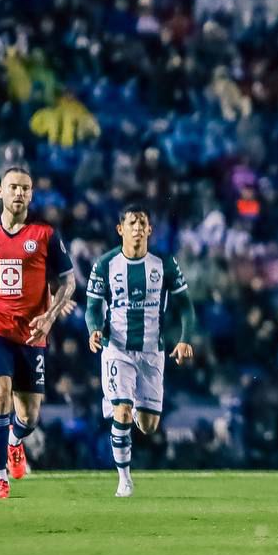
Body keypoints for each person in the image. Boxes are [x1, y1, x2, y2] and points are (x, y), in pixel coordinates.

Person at [86, 203, 196, 497]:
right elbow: (92, 308)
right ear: (120, 229)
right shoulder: (105, 264)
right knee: (122, 411)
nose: (137, 228)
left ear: (150, 229)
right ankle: (124, 479)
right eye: (131, 223)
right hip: (117, 349)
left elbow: (186, 306)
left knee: (148, 426)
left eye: (142, 222)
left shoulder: (164, 264)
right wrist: (94, 329)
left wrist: (185, 338)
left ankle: (129, 404)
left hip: (151, 352)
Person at [0, 162, 76, 500]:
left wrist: (51, 316)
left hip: (32, 334)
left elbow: (68, 282)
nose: (19, 193)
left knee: (29, 415)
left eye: (25, 188)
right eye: (13, 186)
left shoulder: (44, 234)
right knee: (0, 393)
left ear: (32, 194)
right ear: (0, 192)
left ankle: (16, 440)